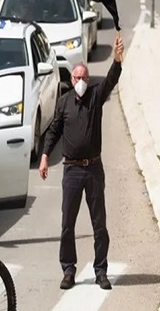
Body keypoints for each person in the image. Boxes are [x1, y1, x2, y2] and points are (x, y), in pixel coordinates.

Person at [38, 36, 125, 291]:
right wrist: (45, 156)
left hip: (93, 169)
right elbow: (54, 131)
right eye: (77, 78)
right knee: (68, 223)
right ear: (71, 79)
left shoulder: (95, 96)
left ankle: (101, 270)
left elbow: (111, 80)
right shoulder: (64, 102)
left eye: (84, 77)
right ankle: (68, 269)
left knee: (99, 224)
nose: (80, 81)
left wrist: (117, 59)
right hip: (72, 170)